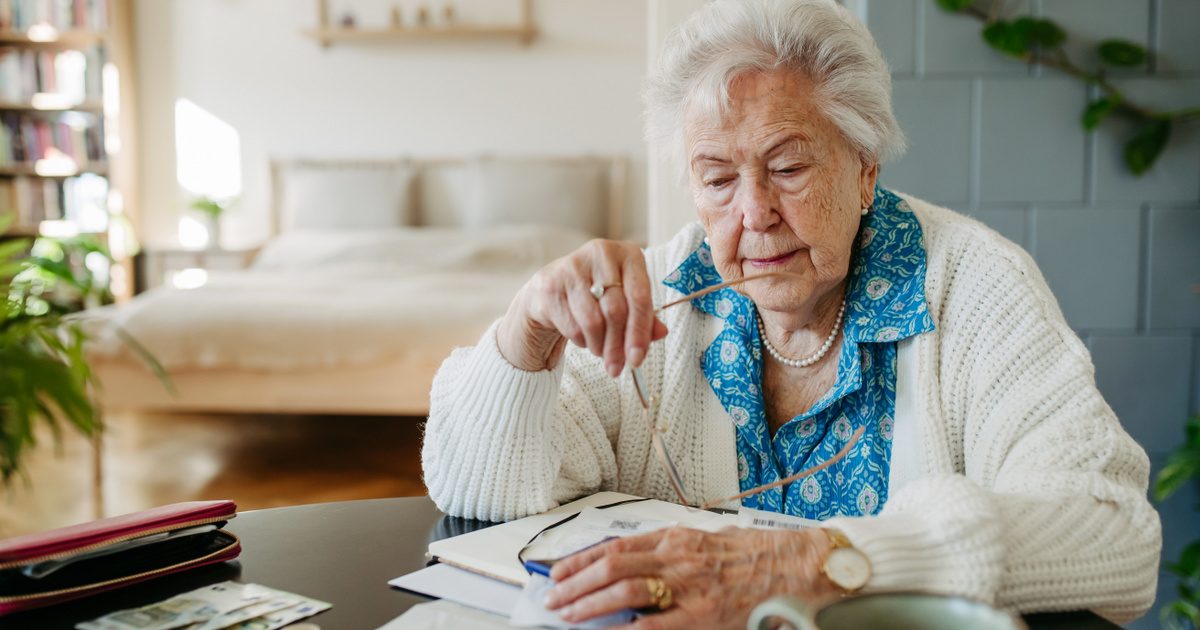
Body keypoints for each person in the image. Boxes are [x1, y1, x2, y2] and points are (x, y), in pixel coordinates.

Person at [421, 0, 1161, 627]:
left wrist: (822, 560)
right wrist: (525, 335)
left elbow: (1113, 534)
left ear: (865, 167)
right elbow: (481, 494)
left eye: (788, 168)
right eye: (717, 178)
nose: (755, 213)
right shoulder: (658, 296)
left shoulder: (972, 285)